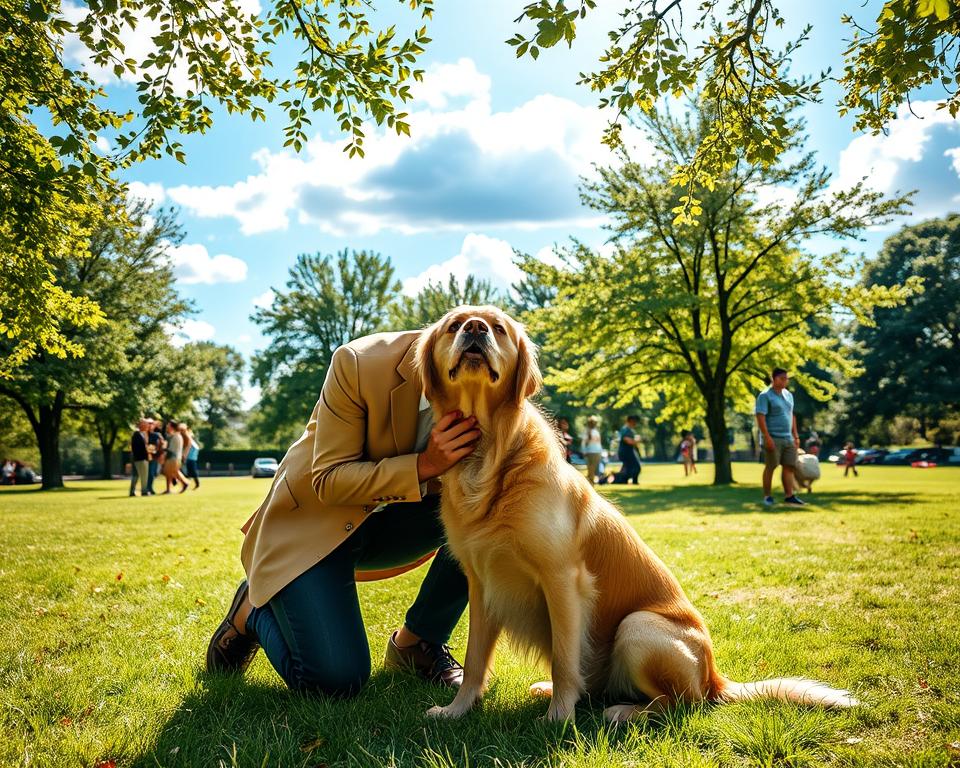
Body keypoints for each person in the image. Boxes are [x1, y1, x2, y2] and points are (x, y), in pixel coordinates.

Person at [205, 327, 477, 697]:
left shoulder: (500, 381)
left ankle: (416, 643)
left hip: (391, 525)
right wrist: (425, 465)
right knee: (334, 682)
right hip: (311, 524)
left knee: (488, 515)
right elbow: (329, 480)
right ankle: (253, 609)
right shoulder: (358, 362)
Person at [755, 368, 804, 507]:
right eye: (782, 378)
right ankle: (767, 496)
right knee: (771, 466)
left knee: (789, 466)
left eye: (786, 378)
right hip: (773, 437)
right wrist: (767, 437)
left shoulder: (788, 395)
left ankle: (789, 496)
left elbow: (791, 415)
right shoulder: (765, 396)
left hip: (788, 438)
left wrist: (796, 436)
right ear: (774, 378)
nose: (785, 381)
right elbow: (760, 417)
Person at [606, 415, 641, 484]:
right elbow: (627, 440)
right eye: (634, 422)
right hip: (626, 452)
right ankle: (632, 481)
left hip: (627, 452)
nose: (635, 424)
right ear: (630, 421)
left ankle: (621, 480)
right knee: (636, 467)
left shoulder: (627, 429)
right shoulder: (626, 429)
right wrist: (636, 440)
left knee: (628, 469)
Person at [128, 418, 150, 497]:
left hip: (139, 458)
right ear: (141, 425)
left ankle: (132, 491)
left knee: (136, 475)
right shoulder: (137, 434)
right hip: (141, 458)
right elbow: (137, 448)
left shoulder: (141, 434)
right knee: (143, 475)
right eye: (145, 424)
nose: (147, 425)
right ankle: (144, 491)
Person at [162, 420, 184, 494]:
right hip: (175, 457)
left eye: (168, 425)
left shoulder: (175, 436)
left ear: (172, 427)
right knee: (171, 473)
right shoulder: (175, 436)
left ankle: (184, 483)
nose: (167, 427)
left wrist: (164, 448)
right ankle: (168, 489)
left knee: (169, 473)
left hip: (173, 458)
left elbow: (171, 449)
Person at [581, 416, 603, 485]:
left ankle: (591, 483)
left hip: (597, 452)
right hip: (590, 452)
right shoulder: (587, 432)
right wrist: (584, 451)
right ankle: (590, 484)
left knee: (594, 469)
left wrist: (600, 451)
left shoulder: (596, 432)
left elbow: (599, 443)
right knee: (591, 469)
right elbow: (583, 443)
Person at [146, 420, 165, 495]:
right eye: (149, 424)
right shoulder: (144, 434)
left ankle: (150, 488)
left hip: (154, 457)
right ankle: (146, 489)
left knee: (152, 473)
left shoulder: (156, 435)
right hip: (145, 456)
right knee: (147, 473)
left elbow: (161, 444)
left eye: (152, 424)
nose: (150, 426)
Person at [181, 424, 202, 490]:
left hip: (190, 457)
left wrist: (184, 456)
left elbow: (188, 447)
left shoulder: (187, 437)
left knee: (191, 471)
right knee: (190, 472)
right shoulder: (189, 437)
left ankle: (195, 484)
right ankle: (187, 484)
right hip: (192, 457)